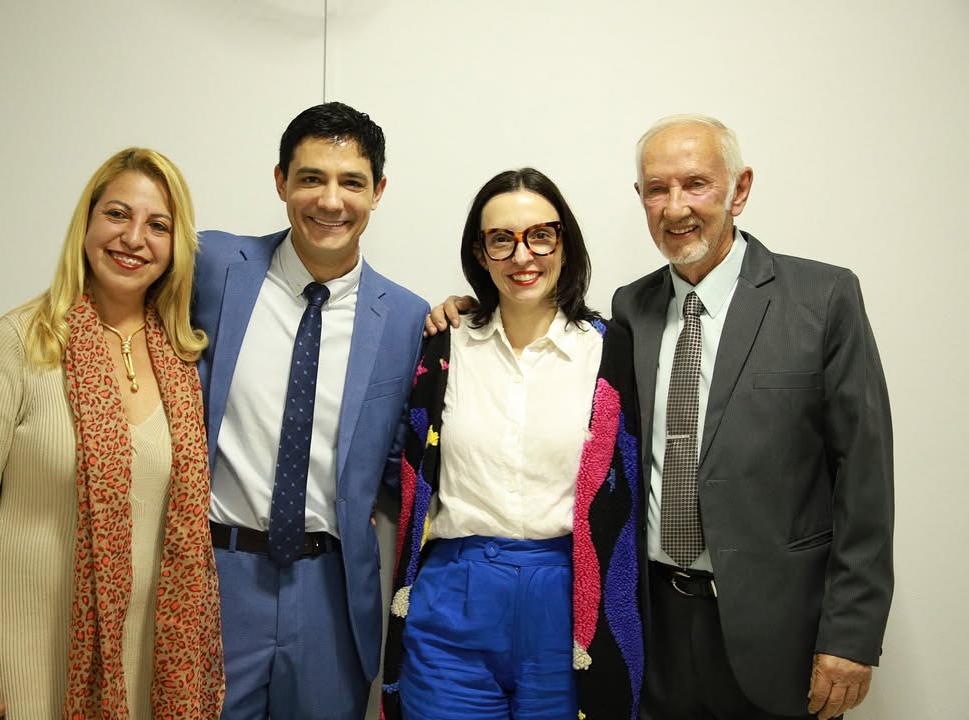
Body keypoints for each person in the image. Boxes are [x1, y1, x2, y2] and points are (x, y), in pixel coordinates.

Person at [430, 115, 894, 720]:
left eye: (695, 183)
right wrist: (465, 309)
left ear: (739, 189)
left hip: (779, 627)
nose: (676, 207)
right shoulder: (632, 310)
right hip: (653, 623)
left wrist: (850, 635)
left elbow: (864, 475)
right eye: (657, 189)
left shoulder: (822, 298)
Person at [0, 148, 224, 720]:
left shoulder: (183, 357)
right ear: (86, 223)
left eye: (157, 225)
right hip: (19, 654)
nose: (133, 238)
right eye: (117, 214)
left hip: (148, 662)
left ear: (175, 247)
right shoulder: (24, 340)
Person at [192, 102, 429, 720]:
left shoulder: (407, 319)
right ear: (281, 182)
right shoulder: (212, 267)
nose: (330, 201)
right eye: (311, 178)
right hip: (214, 576)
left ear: (378, 191)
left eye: (351, 182)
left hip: (331, 589)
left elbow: (405, 458)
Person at [381, 168, 643, 720]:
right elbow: (400, 460)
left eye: (540, 235)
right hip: (453, 602)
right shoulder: (444, 345)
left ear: (564, 243)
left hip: (567, 609)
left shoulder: (611, 352)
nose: (523, 256)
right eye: (501, 239)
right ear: (480, 253)